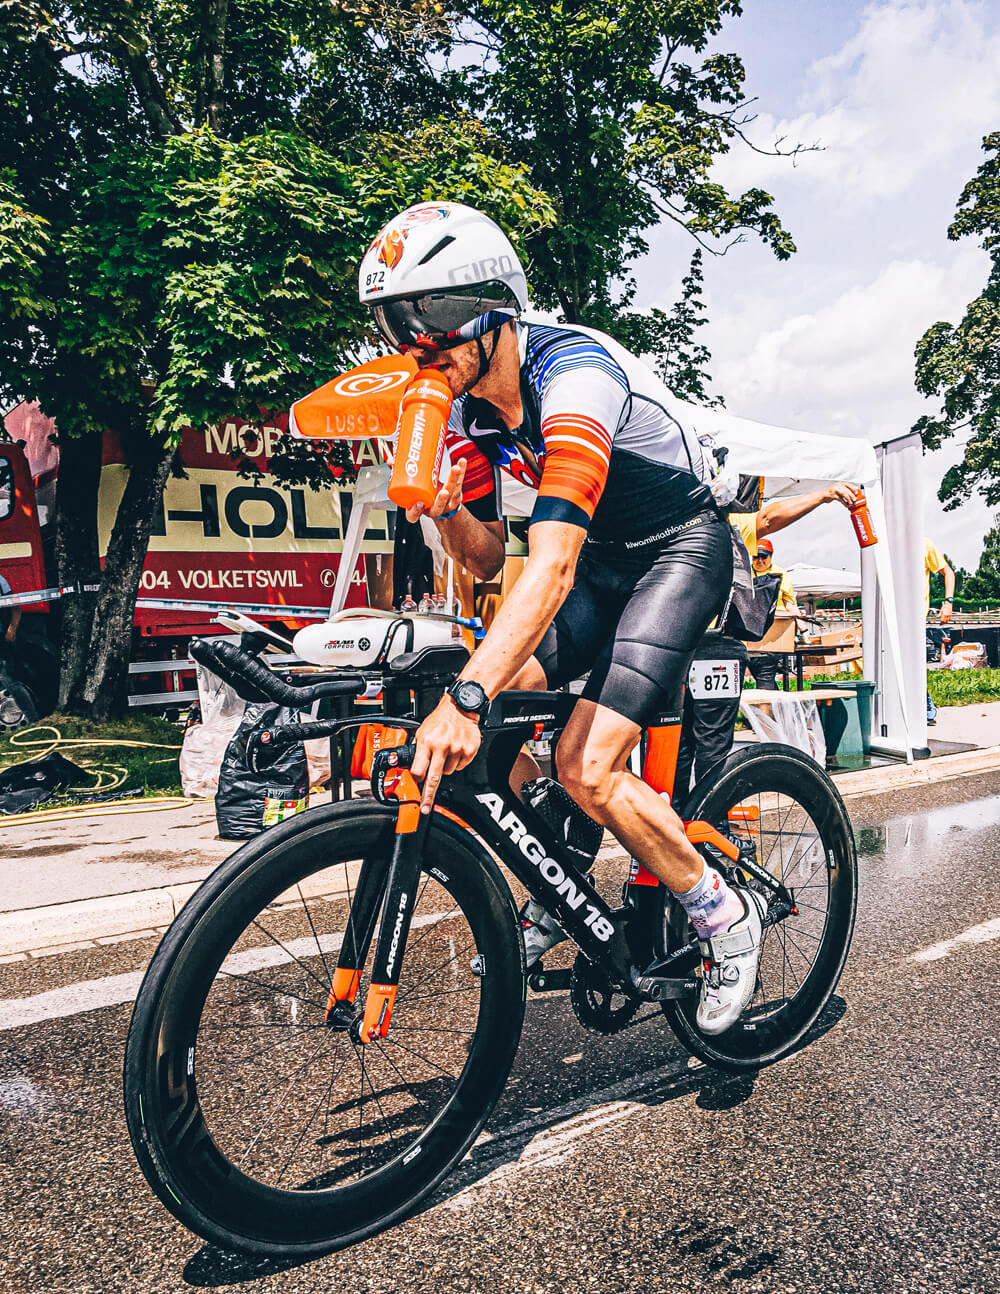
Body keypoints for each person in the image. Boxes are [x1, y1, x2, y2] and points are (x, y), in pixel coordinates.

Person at [359, 200, 757, 1034]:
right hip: (602, 565)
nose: (415, 344)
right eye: (399, 324)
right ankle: (560, 882)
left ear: (496, 308)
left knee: (584, 760)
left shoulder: (572, 374)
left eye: (432, 317)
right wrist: (440, 509)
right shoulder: (471, 415)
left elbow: (552, 563)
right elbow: (480, 558)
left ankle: (724, 914)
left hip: (676, 553)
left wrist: (463, 697)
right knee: (500, 731)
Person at [676, 483, 856, 796]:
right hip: (715, 644)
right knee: (713, 741)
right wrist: (823, 494)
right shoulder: (728, 521)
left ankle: (670, 818)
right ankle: (710, 824)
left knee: (676, 738)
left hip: (670, 642)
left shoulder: (669, 518)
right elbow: (769, 519)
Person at [924, 539, 955, 725]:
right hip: (891, 614)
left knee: (912, 665)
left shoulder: (924, 544)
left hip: (914, 618)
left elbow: (948, 573)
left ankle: (926, 707)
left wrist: (948, 602)